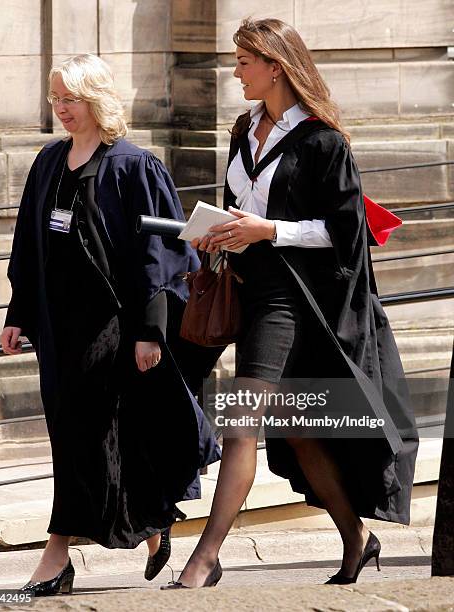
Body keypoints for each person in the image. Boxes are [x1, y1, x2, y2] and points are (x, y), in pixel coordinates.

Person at [162, 18, 418, 589]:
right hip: (245, 291)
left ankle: (204, 559)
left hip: (293, 301)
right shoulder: (241, 129)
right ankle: (355, 536)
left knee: (242, 426)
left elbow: (345, 231)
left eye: (244, 62)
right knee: (300, 431)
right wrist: (222, 232)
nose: (235, 71)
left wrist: (269, 231)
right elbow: (239, 206)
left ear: (275, 67)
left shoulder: (324, 141)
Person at [1, 53, 220, 596]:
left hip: (114, 327)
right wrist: (18, 314)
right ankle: (148, 524)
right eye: (54, 99)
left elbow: (158, 252)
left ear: (95, 98)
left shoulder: (132, 165)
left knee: (92, 435)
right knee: (77, 436)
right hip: (57, 328)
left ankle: (57, 554)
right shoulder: (49, 161)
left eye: (69, 99)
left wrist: (150, 330)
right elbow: (29, 245)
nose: (60, 109)